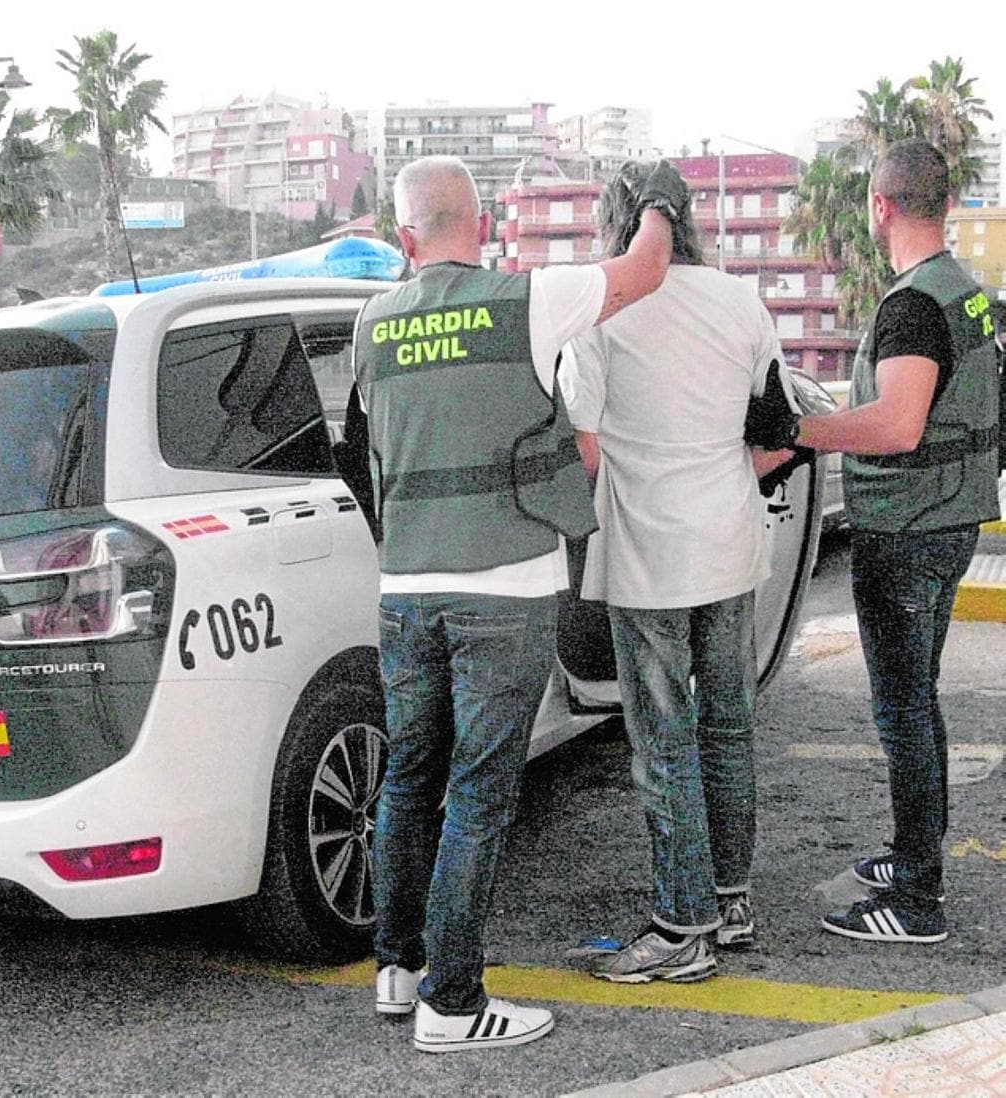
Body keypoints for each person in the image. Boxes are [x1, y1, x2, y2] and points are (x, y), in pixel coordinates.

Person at [353, 154, 686, 1052]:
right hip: (505, 587)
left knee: (409, 779)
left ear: (402, 238)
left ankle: (400, 970)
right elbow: (647, 269)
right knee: (477, 795)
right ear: (487, 219)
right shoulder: (525, 301)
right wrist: (656, 203)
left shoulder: (370, 324)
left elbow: (366, 452)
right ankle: (453, 1006)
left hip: (406, 590)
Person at [750, 138, 1000, 944]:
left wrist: (796, 430)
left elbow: (896, 424)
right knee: (917, 703)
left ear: (880, 207)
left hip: (905, 528)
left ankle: (916, 897)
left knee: (903, 711)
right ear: (946, 203)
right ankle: (911, 852)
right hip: (953, 517)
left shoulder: (910, 307)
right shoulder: (970, 294)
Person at [556, 161, 783, 983]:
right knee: (727, 723)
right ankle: (730, 901)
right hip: (730, 539)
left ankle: (679, 925)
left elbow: (582, 445)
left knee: (662, 741)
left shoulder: (603, 307)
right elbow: (779, 423)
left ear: (615, 223)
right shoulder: (740, 299)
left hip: (650, 552)